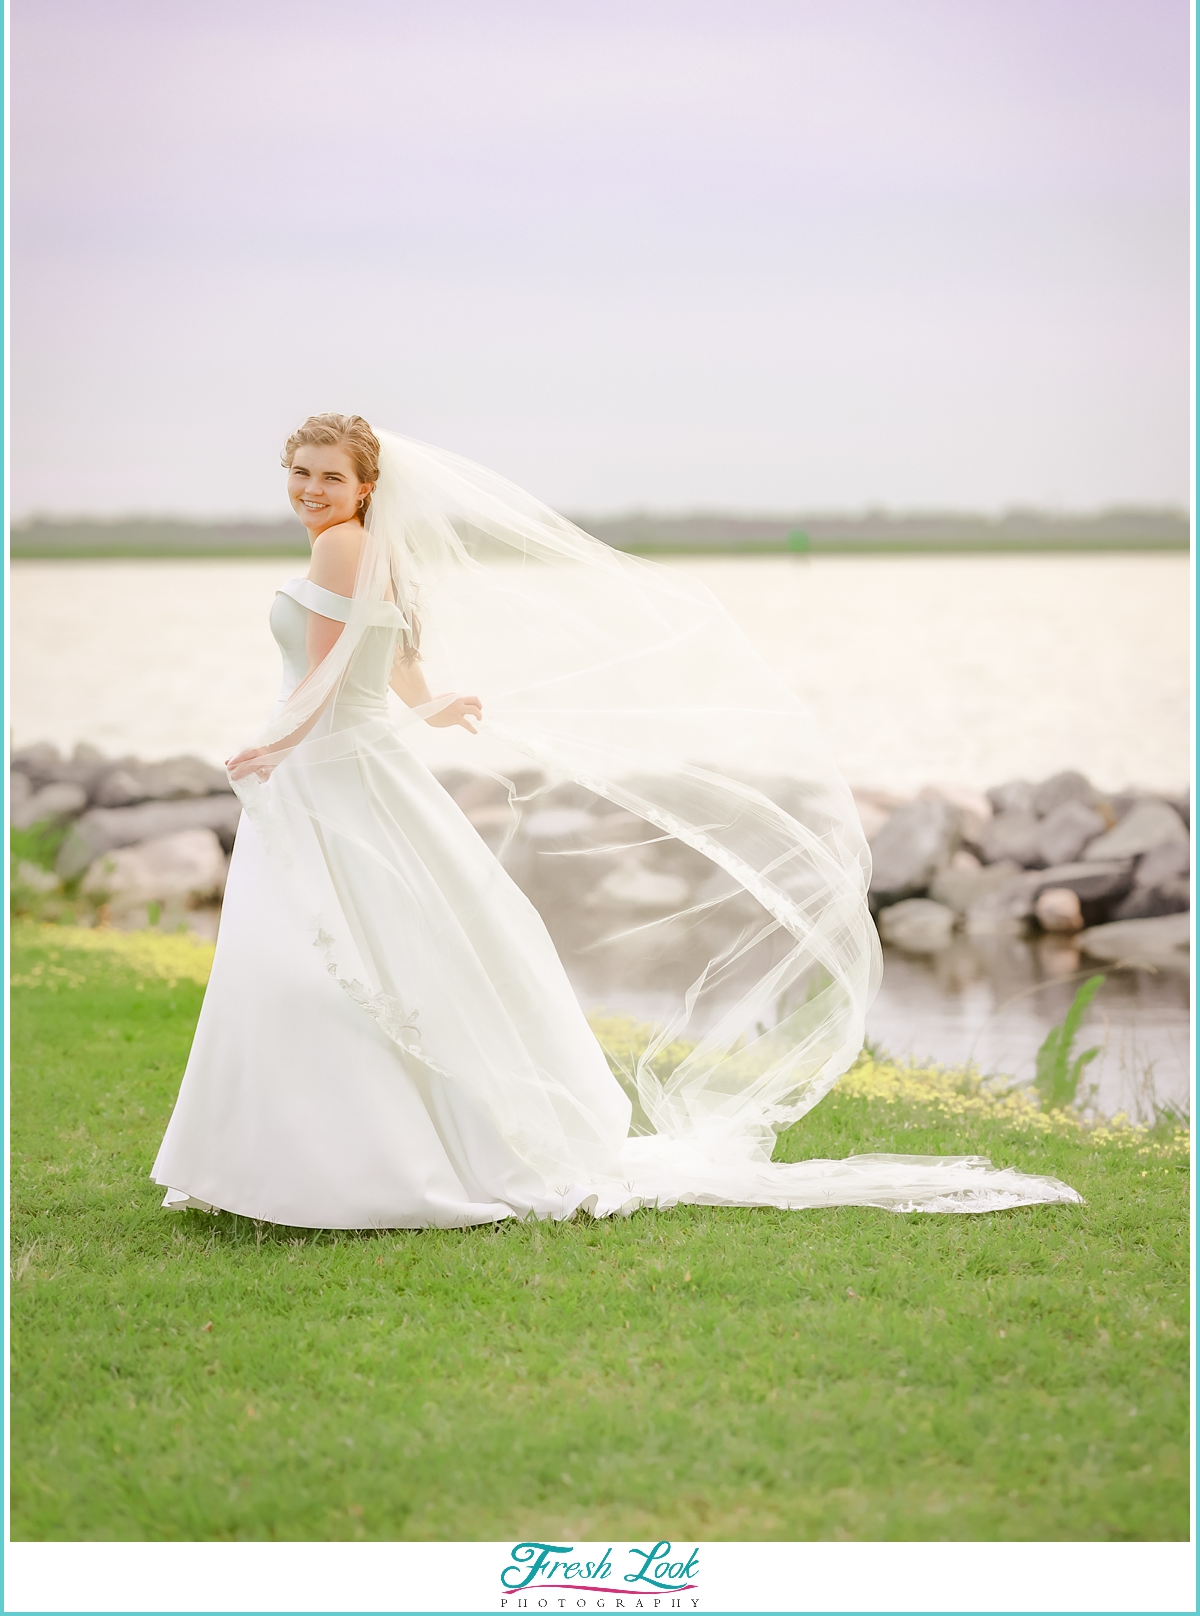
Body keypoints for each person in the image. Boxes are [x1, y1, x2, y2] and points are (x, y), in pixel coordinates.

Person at [152, 414, 1079, 1227]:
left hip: (332, 769)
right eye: (301, 473)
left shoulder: (339, 546)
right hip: (348, 766)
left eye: (330, 477)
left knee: (320, 960)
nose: (311, 491)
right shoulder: (369, 550)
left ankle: (339, 1165)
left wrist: (274, 742)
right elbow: (383, 654)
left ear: (364, 487)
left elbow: (324, 671)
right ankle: (321, 1157)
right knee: (364, 957)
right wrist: (428, 706)